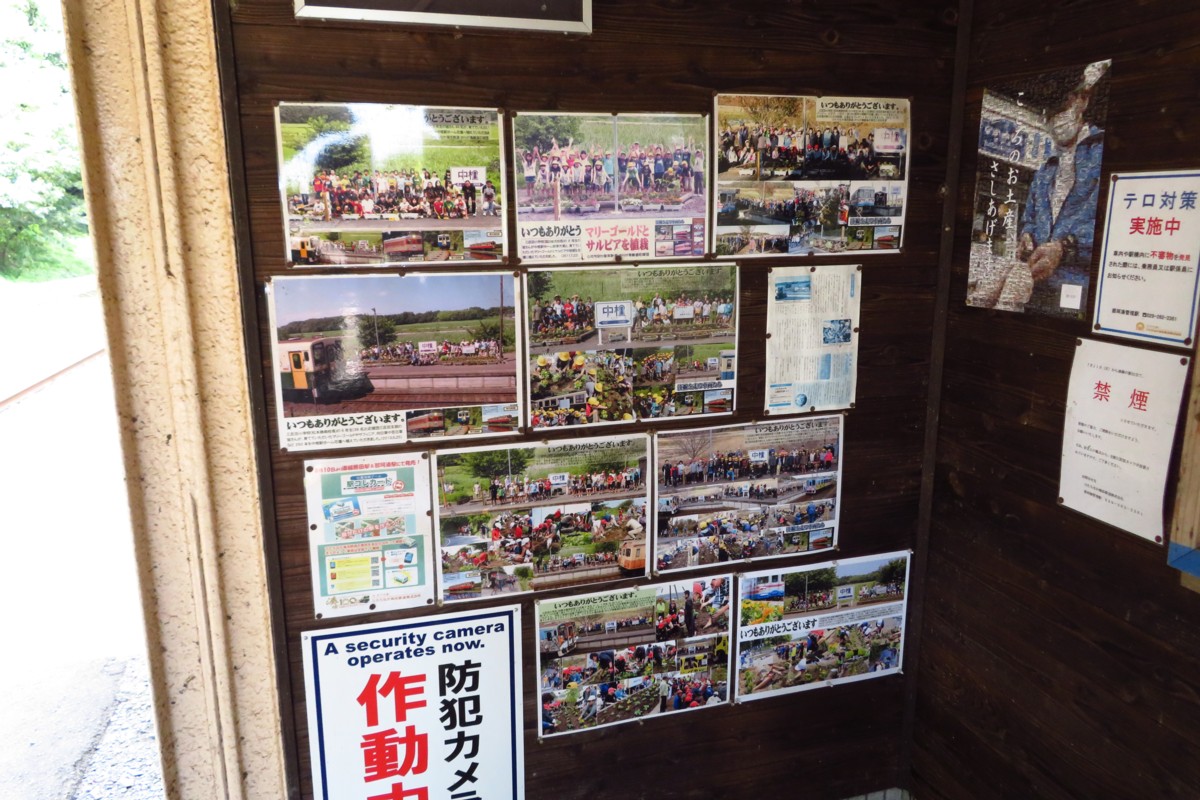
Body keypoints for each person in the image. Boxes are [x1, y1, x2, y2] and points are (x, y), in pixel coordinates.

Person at [1016, 60, 1109, 313]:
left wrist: (1065, 247)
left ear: (1082, 101)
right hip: (1038, 286)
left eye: (1062, 107)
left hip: (1080, 290)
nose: (1055, 119)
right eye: (1049, 113)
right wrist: (1027, 236)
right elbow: (1030, 218)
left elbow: (1110, 222)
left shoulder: (1104, 152)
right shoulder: (1047, 168)